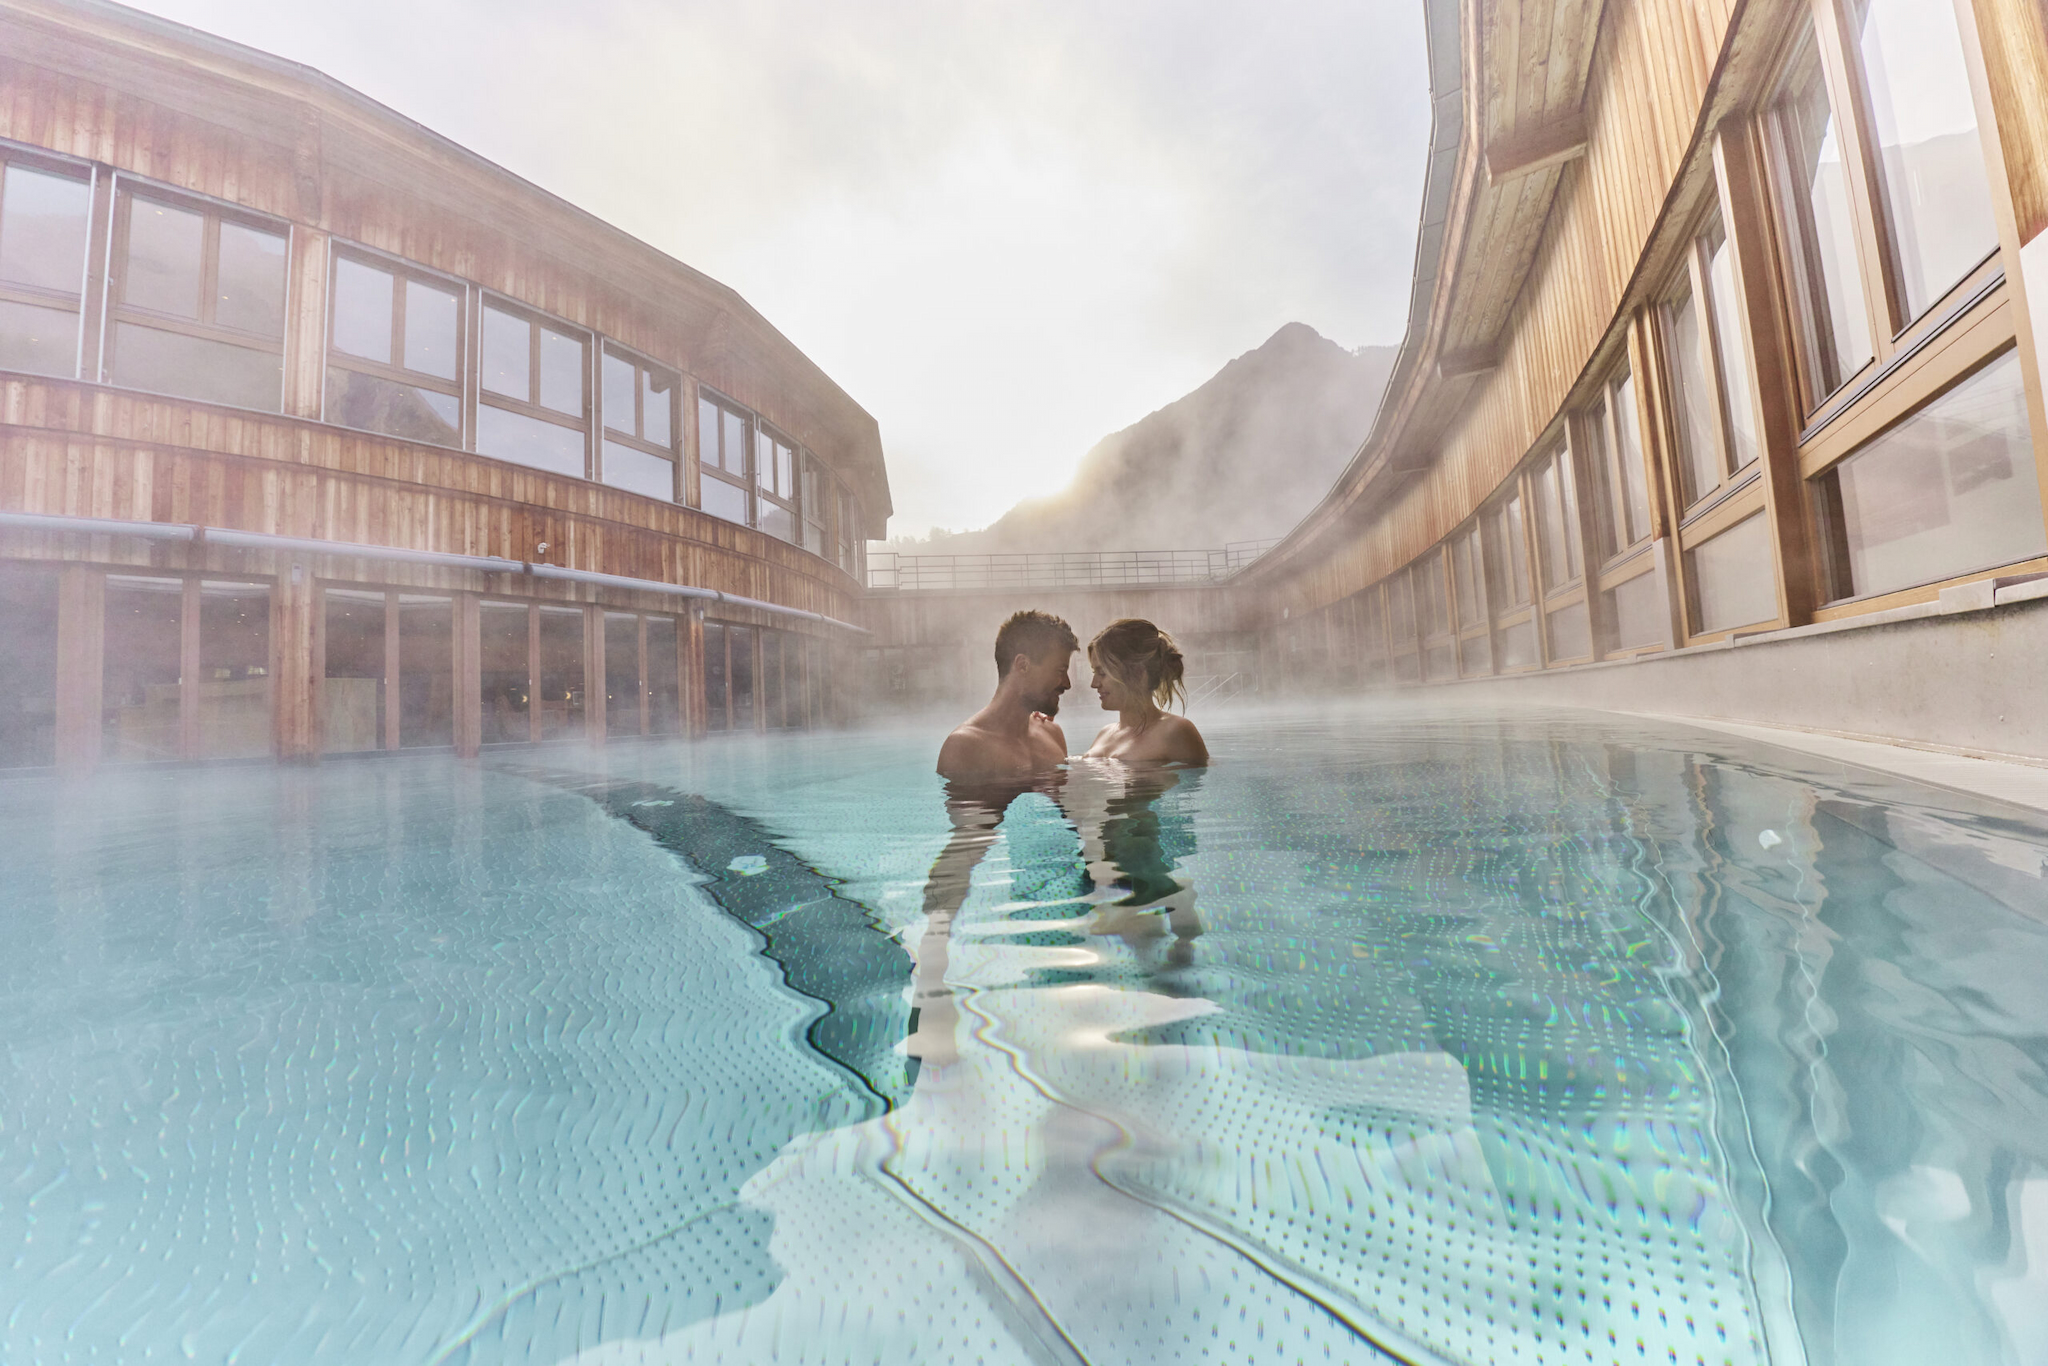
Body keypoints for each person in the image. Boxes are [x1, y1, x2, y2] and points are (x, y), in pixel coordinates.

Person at [935, 609, 1080, 781]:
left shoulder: (1052, 734)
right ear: (1023, 665)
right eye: (1060, 671)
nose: (1067, 684)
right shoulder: (965, 748)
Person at [1082, 618, 1209, 766]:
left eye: (1102, 673)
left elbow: (1196, 785)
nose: (1094, 684)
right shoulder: (1104, 734)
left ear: (1138, 673)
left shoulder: (1176, 731)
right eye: (1094, 673)